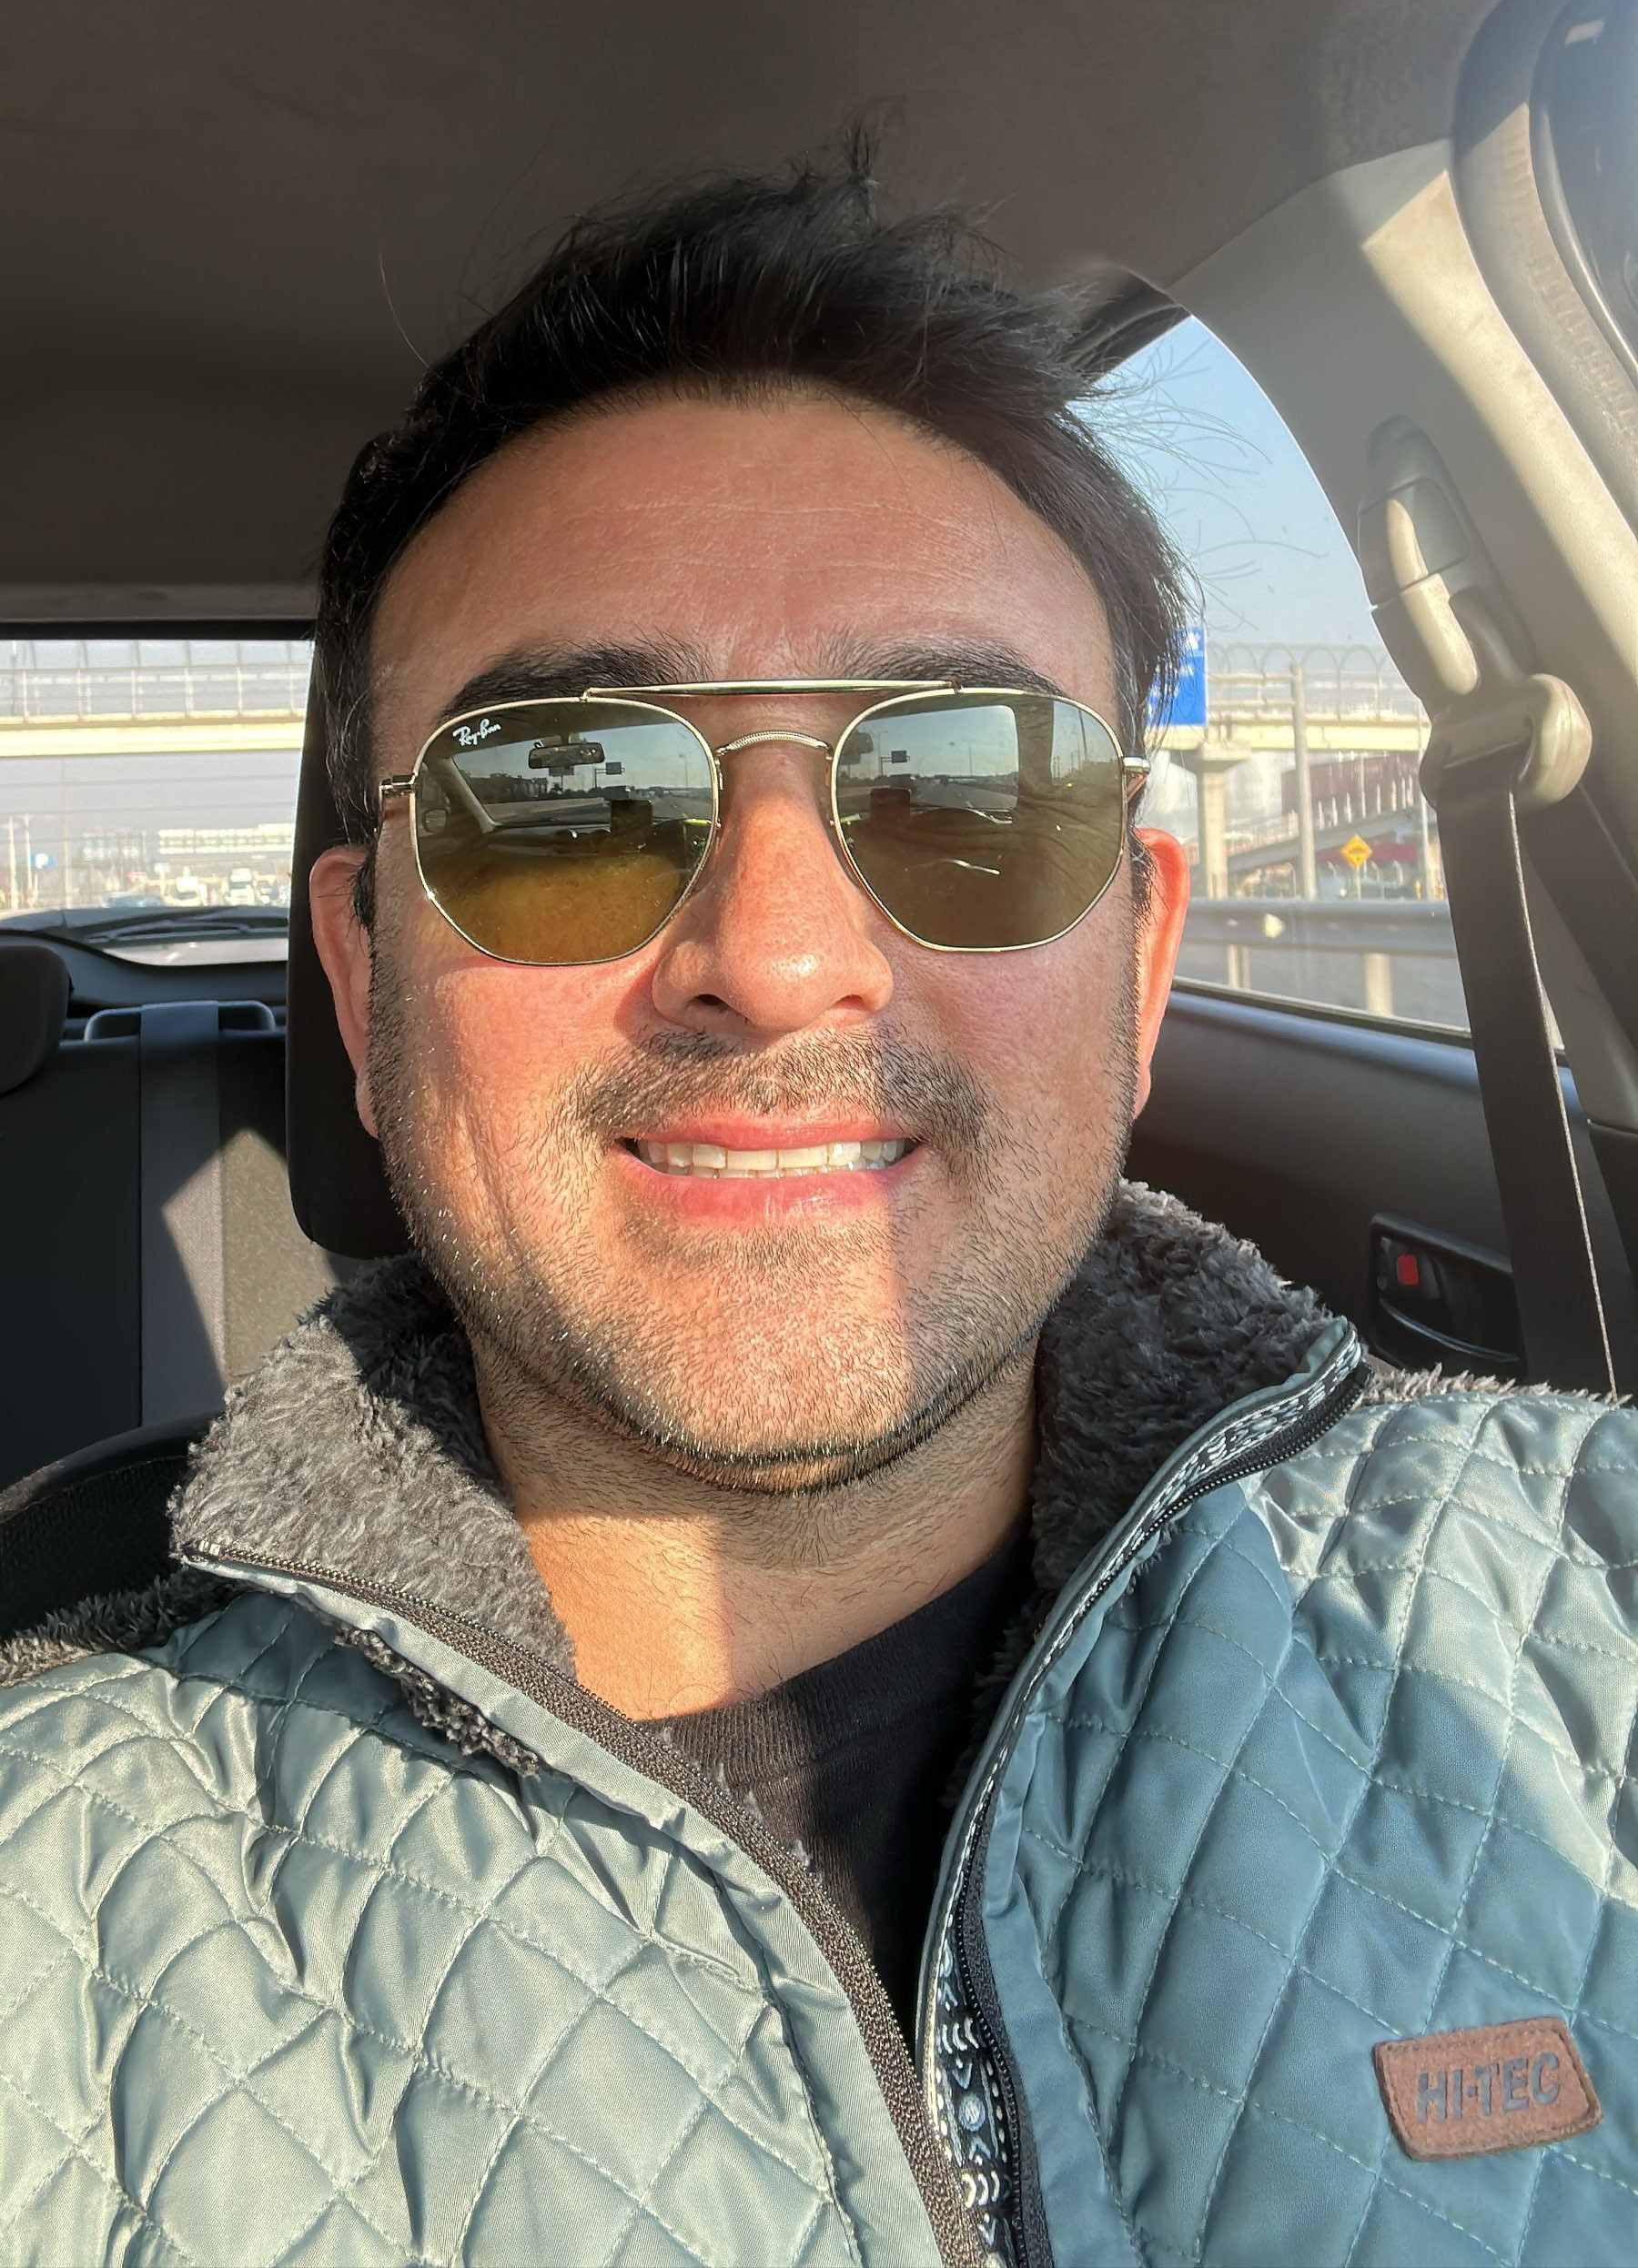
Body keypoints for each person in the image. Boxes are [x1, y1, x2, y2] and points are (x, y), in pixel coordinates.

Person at [1, 147, 1633, 2266]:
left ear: (1140, 966)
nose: (777, 955)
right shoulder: (62, 1898)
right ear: (362, 975)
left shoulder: (1584, 1609)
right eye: (565, 794)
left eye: (964, 784)